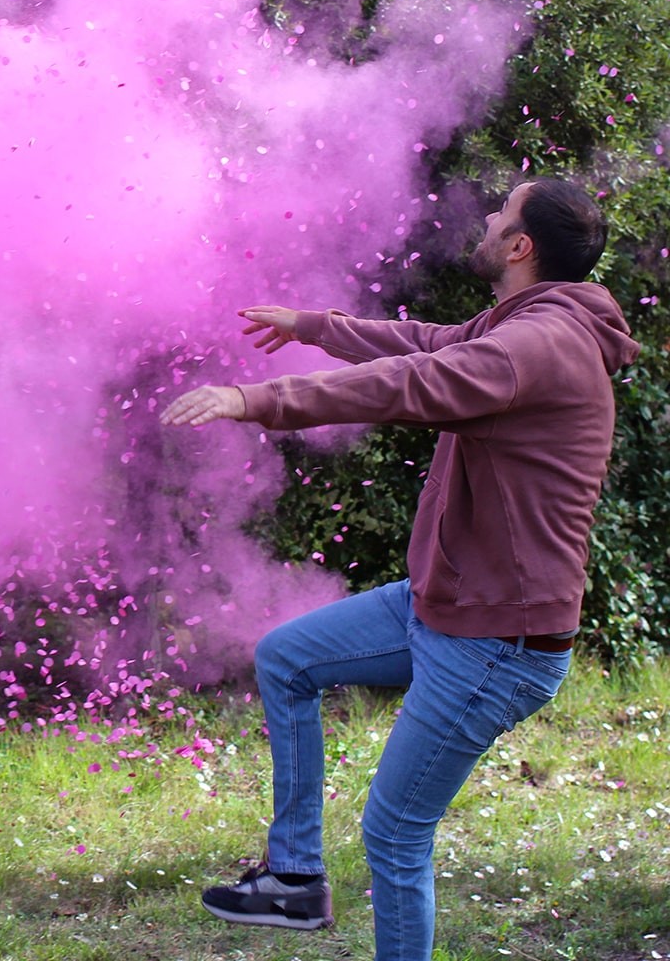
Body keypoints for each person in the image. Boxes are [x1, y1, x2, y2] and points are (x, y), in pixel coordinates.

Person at [160, 178, 639, 961]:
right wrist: (318, 327)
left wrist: (257, 399)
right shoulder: (522, 324)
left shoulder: (541, 343)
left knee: (395, 834)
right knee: (287, 659)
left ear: (520, 247)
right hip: (443, 605)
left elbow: (416, 383)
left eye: (502, 212)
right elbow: (428, 345)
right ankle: (295, 879)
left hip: (498, 643)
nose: (487, 217)